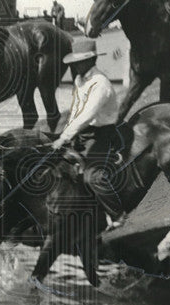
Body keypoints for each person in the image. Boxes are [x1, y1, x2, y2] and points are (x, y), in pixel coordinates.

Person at [51, 41, 125, 226]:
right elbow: (76, 110)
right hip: (84, 132)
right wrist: (63, 132)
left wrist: (64, 137)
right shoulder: (80, 80)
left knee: (93, 176)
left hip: (102, 133)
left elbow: (87, 114)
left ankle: (118, 215)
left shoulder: (101, 83)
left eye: (79, 62)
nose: (75, 66)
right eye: (74, 62)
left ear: (91, 60)